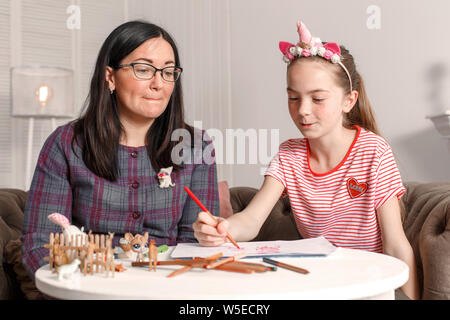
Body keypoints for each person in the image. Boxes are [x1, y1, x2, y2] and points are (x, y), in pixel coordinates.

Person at [193, 21, 419, 299]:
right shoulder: (289, 155)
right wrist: (224, 228)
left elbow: (397, 246)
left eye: (318, 99)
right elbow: (251, 220)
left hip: (368, 287)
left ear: (349, 101)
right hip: (318, 286)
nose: (303, 111)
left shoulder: (373, 152)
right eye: (293, 97)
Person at [22, 20, 219, 279]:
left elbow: (194, 247)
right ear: (110, 77)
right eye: (143, 69)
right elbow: (40, 243)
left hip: (166, 286)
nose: (159, 83)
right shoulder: (66, 143)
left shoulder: (196, 146)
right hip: (87, 285)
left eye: (168, 72)